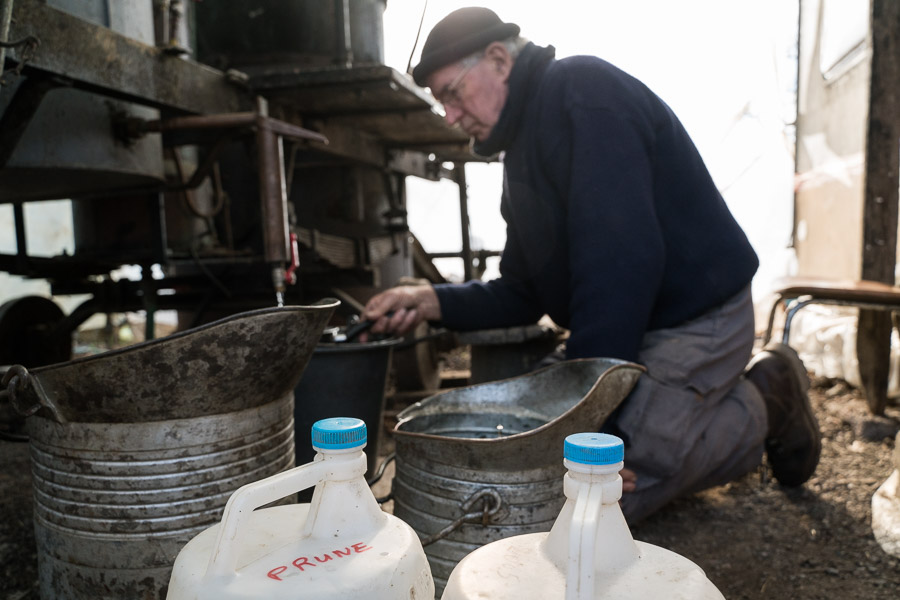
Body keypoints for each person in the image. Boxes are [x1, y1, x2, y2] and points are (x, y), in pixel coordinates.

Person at [363, 6, 821, 522]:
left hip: (695, 322)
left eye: (451, 93)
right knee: (531, 455)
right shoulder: (520, 162)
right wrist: (431, 300)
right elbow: (521, 291)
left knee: (598, 498)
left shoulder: (583, 93)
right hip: (630, 329)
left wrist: (592, 434)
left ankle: (766, 398)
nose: (448, 115)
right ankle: (672, 418)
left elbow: (621, 268)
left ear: (498, 60)